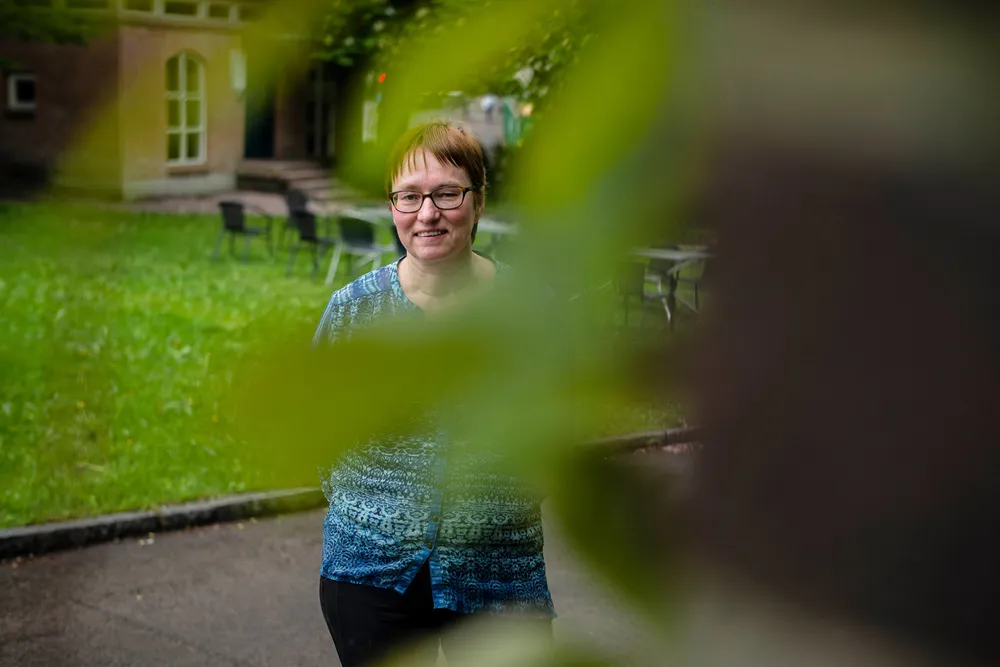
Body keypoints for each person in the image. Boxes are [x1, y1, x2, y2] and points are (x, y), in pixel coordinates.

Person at [312, 121, 554, 667]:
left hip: (499, 577)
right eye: (409, 196)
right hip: (370, 576)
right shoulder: (353, 312)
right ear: (392, 205)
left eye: (447, 193)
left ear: (479, 201)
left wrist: (496, 512)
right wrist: (376, 513)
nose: (427, 213)